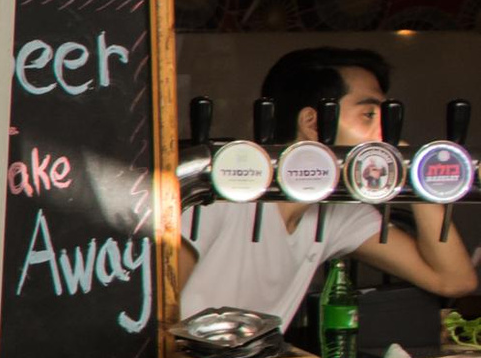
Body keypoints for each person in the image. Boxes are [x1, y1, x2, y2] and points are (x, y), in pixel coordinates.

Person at [178, 46, 478, 330]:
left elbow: (453, 280)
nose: (387, 132)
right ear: (314, 123)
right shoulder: (220, 197)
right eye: (370, 115)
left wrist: (413, 169)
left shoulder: (335, 213)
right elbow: (157, 309)